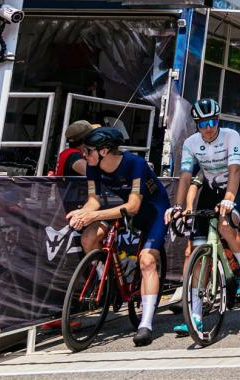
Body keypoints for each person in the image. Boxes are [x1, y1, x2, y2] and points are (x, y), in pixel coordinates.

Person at [66, 127, 171, 347]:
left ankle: (146, 324)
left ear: (104, 151)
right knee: (88, 238)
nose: (83, 155)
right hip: (124, 210)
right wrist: (83, 212)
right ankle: (108, 282)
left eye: (88, 151)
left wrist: (93, 214)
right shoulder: (94, 167)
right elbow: (94, 201)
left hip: (153, 211)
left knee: (147, 261)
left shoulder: (135, 164)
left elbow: (133, 206)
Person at [166, 98, 240, 334]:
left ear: (219, 120)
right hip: (210, 192)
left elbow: (235, 169)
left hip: (232, 189)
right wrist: (178, 205)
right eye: (203, 123)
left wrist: (230, 197)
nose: (208, 127)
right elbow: (185, 175)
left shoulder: (230, 136)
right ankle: (195, 316)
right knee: (198, 256)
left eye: (213, 121)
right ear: (196, 124)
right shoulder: (191, 143)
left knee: (225, 226)